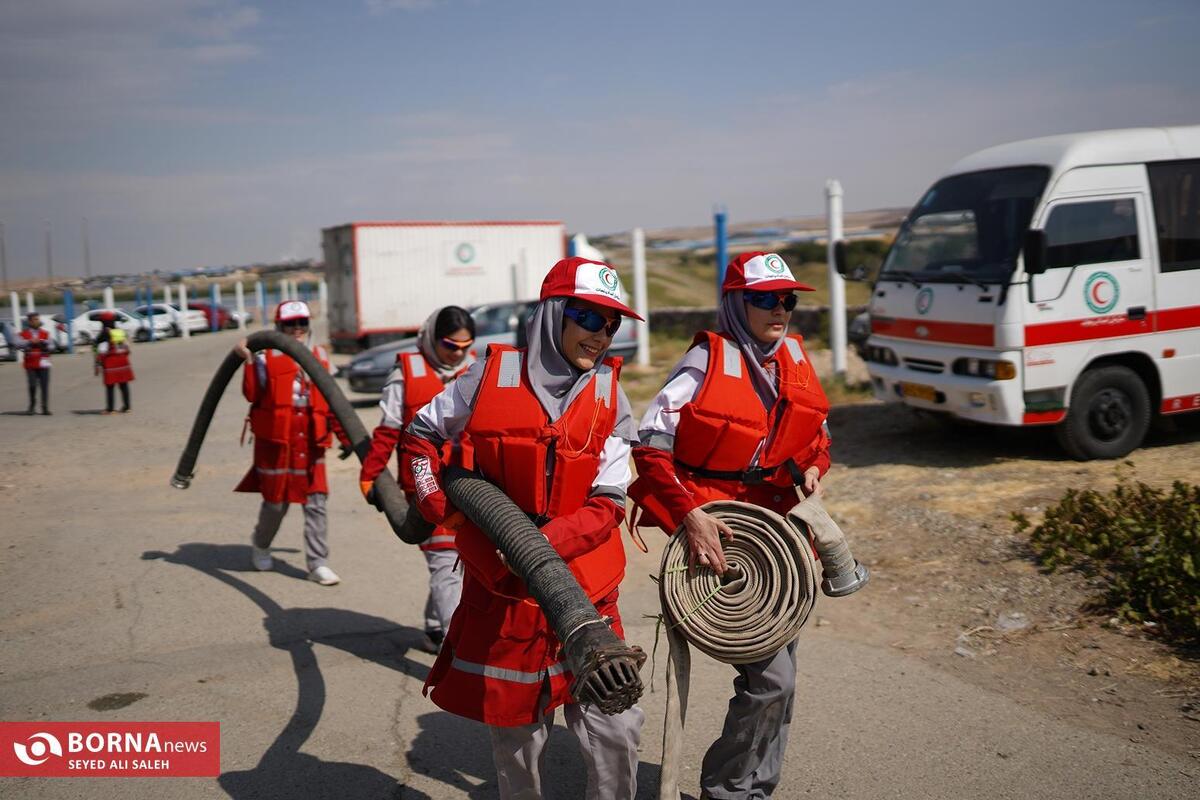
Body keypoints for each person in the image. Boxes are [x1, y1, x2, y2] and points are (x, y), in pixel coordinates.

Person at [400, 257, 645, 800]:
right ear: (554, 314)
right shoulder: (485, 377)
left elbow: (609, 502)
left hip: (586, 591)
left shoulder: (610, 395)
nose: (601, 333)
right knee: (517, 740)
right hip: (503, 594)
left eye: (612, 322)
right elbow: (419, 437)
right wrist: (435, 498)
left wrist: (536, 546)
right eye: (588, 316)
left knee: (617, 728)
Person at [628, 251, 831, 800]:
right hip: (720, 535)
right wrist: (689, 516)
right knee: (773, 681)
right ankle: (730, 791)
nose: (780, 309)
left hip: (781, 543)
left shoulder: (792, 358)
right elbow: (650, 450)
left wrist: (814, 466)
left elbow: (818, 440)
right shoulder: (701, 364)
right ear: (736, 303)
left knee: (782, 684)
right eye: (765, 299)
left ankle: (756, 789)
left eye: (787, 299)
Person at [358, 305, 477, 654]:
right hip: (424, 488)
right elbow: (387, 431)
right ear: (430, 338)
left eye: (465, 346)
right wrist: (371, 477)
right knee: (445, 562)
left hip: (472, 488)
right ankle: (460, 655)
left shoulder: (475, 370)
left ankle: (433, 630)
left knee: (460, 563)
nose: (457, 353)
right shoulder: (405, 373)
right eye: (449, 346)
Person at [233, 300, 350, 586]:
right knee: (276, 505)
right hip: (277, 445)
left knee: (316, 503)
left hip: (310, 442)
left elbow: (334, 402)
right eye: (290, 324)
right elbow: (251, 394)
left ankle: (318, 563)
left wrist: (347, 438)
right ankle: (261, 544)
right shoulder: (264, 356)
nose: (297, 329)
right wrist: (247, 358)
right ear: (279, 327)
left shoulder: (320, 355)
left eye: (302, 323)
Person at [18, 311, 54, 415]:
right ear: (29, 321)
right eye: (35, 319)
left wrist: (43, 342)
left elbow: (52, 346)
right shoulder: (24, 333)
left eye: (38, 319)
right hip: (30, 364)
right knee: (32, 385)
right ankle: (32, 405)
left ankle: (45, 407)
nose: (37, 321)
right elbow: (17, 343)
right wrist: (30, 342)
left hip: (43, 363)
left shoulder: (45, 333)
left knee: (44, 386)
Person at [95, 322, 134, 414]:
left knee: (110, 386)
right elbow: (127, 348)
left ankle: (110, 409)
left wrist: (98, 362)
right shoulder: (120, 332)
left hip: (111, 364)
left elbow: (102, 350)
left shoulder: (104, 334)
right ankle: (127, 407)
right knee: (124, 385)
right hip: (123, 362)